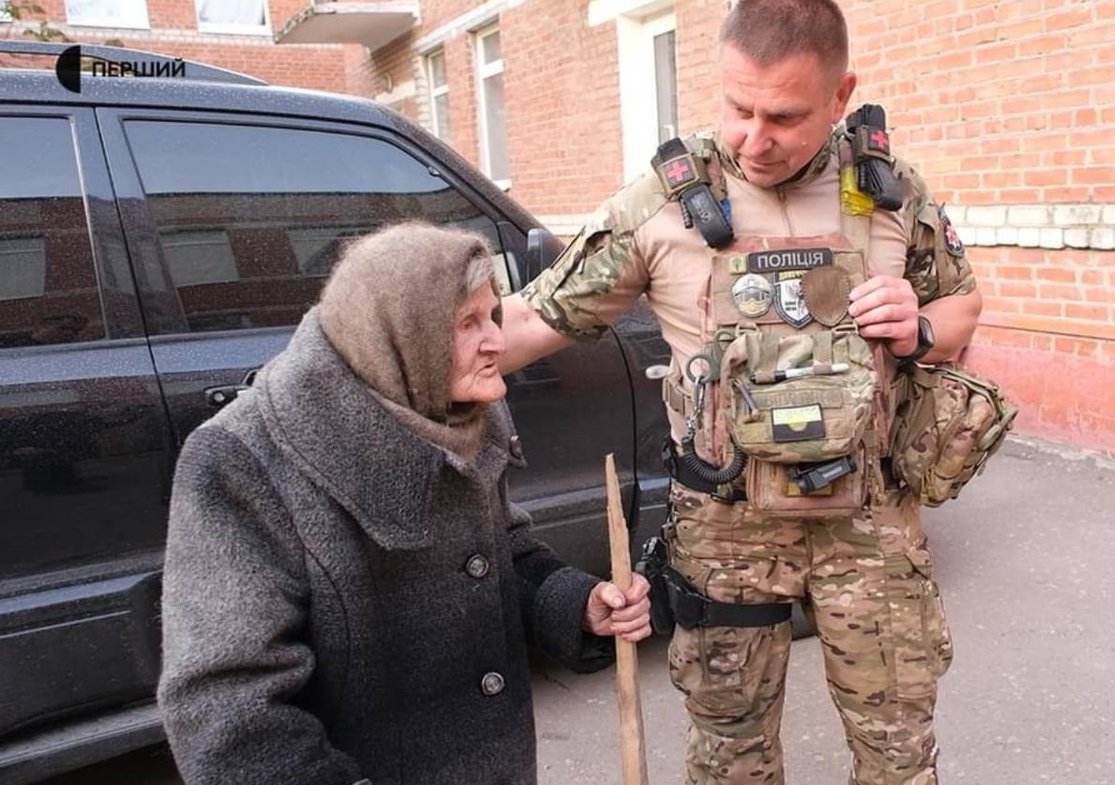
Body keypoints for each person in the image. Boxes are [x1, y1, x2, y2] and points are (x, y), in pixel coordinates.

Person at [499, 1, 982, 783]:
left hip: (869, 522)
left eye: (784, 116)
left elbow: (963, 304)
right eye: (736, 108)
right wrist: (380, 353)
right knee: (731, 756)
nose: (754, 140)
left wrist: (919, 325)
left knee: (899, 749)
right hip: (726, 532)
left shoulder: (886, 190)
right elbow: (529, 321)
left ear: (839, 94)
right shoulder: (662, 202)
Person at [157, 222, 652, 785]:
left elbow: (497, 557)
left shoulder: (459, 411)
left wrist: (577, 603)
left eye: (491, 314)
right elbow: (228, 712)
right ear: (400, 335)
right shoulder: (243, 459)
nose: (496, 339)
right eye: (467, 323)